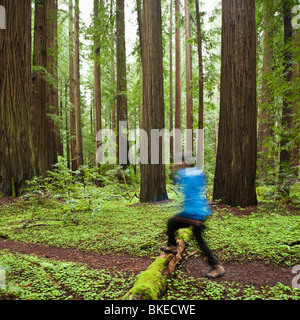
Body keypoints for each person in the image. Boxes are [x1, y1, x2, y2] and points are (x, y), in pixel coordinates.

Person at [161, 159, 225, 279]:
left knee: (172, 222)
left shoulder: (188, 175)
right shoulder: (197, 172)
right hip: (199, 210)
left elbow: (186, 188)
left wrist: (197, 219)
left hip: (194, 213)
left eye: (181, 162)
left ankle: (172, 246)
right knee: (198, 239)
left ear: (185, 162)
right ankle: (216, 267)